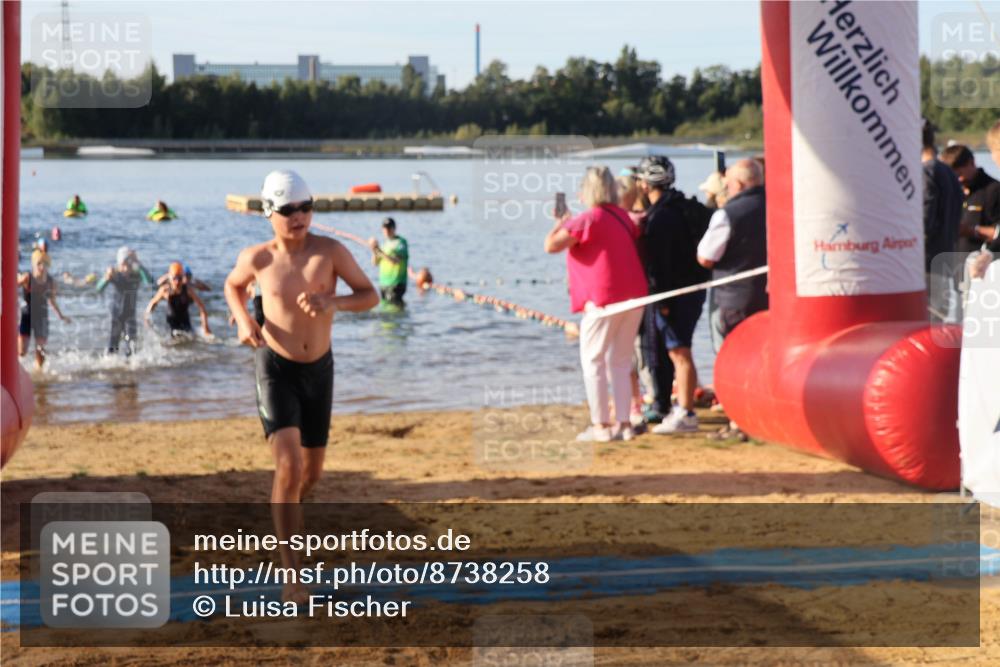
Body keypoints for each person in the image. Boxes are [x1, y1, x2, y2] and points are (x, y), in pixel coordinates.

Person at [223, 169, 378, 604]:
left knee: (310, 476)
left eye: (306, 207)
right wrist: (242, 319)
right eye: (289, 210)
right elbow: (232, 286)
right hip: (275, 368)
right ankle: (293, 575)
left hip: (319, 371)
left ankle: (283, 523)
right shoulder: (258, 258)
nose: (299, 216)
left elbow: (370, 295)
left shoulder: (330, 254)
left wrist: (335, 301)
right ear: (269, 213)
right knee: (288, 467)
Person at [544, 166, 648, 442]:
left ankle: (601, 425)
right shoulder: (622, 217)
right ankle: (624, 423)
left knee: (594, 361)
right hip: (634, 295)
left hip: (604, 299)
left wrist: (561, 222)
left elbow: (551, 245)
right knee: (621, 361)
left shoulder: (588, 219)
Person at [636, 156, 712, 434]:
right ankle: (678, 407)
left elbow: (660, 264)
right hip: (695, 290)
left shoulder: (660, 217)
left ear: (645, 184)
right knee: (679, 350)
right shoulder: (688, 207)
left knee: (678, 351)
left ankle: (684, 412)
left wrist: (663, 303)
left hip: (673, 295)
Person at [696, 159, 768, 441]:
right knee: (761, 358)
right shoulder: (779, 204)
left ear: (737, 184)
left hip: (733, 296)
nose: (725, 187)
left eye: (727, 183)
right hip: (770, 295)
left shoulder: (729, 213)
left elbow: (706, 256)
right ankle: (760, 417)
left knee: (732, 361)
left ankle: (739, 421)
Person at [921, 120, 964, 323]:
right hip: (945, 258)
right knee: (939, 320)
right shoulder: (948, 173)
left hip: (927, 264)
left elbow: (925, 221)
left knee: (928, 321)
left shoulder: (926, 173)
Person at [940, 144, 1000, 254]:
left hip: (983, 265)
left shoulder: (994, 190)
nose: (957, 180)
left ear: (971, 163)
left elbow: (997, 233)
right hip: (951, 263)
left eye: (960, 174)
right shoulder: (950, 191)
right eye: (952, 176)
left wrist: (971, 231)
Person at [96, 246, 153, 355]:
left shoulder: (137, 274)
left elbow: (149, 281)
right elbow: (98, 289)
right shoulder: (115, 274)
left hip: (130, 315)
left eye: (132, 261)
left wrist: (140, 266)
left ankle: (131, 366)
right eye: (127, 262)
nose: (128, 266)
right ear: (121, 262)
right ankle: (111, 364)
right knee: (113, 343)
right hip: (116, 314)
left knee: (132, 344)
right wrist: (106, 278)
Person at [18, 249, 71, 368]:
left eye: (45, 264)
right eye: (39, 264)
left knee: (40, 348)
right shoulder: (27, 277)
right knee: (22, 351)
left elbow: (52, 301)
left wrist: (61, 316)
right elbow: (11, 285)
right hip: (27, 314)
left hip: (42, 315)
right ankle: (19, 370)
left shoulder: (51, 282)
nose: (42, 267)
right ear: (33, 265)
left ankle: (39, 373)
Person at [145, 261, 211, 337]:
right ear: (170, 278)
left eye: (179, 278)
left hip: (185, 322)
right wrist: (147, 318)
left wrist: (206, 327)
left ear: (182, 277)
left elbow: (201, 307)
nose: (177, 282)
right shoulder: (165, 290)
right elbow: (153, 303)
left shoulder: (188, 289)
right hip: (170, 324)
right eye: (174, 278)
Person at [368, 217, 409, 306]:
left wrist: (380, 252)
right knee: (386, 309)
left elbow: (396, 261)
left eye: (389, 228)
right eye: (385, 228)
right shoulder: (384, 244)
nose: (387, 230)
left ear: (394, 228)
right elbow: (375, 263)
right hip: (384, 284)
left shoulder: (401, 242)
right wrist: (374, 250)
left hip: (396, 284)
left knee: (395, 309)